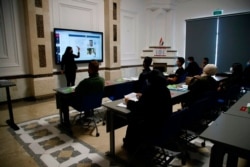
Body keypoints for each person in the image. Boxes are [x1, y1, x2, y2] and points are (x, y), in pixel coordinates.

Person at [123, 69, 172, 153]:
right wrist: (143, 96)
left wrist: (129, 102)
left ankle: (130, 146)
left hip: (150, 126)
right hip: (163, 124)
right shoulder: (165, 90)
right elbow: (150, 103)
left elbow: (139, 108)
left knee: (132, 119)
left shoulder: (150, 90)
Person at [59, 60, 105, 135]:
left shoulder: (85, 82)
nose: (87, 70)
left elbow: (77, 92)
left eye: (88, 68)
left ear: (90, 69)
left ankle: (66, 123)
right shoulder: (102, 80)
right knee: (88, 99)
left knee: (63, 99)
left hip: (82, 105)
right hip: (95, 103)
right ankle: (88, 115)